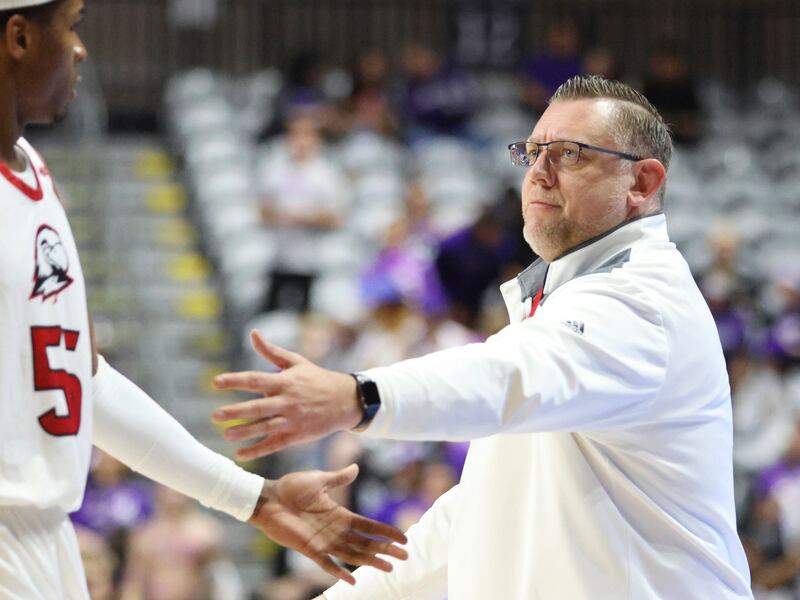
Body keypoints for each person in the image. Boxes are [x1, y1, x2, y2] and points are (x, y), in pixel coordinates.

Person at [213, 74, 754, 599]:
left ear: (643, 182)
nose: (539, 173)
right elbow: (481, 512)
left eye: (569, 153)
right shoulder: (566, 297)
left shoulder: (640, 300)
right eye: (532, 152)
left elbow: (506, 376)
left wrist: (358, 396)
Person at [0, 1, 407, 598]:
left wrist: (252, 495)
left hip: (45, 537)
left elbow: (85, 379)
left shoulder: (33, 174)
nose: (81, 48)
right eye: (73, 24)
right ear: (18, 36)